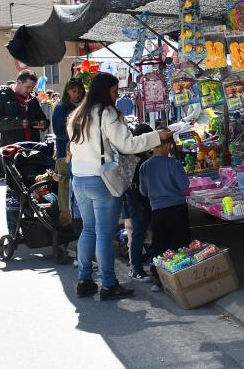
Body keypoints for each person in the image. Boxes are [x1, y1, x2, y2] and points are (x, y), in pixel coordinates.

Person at [67, 72, 170, 300]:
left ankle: (84, 281)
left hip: (80, 180)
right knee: (104, 233)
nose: (116, 96)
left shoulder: (77, 115)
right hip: (101, 179)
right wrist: (156, 137)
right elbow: (126, 144)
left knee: (89, 230)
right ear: (105, 91)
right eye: (114, 91)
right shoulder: (107, 112)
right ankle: (109, 284)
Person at [138, 126, 190, 292]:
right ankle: (182, 278)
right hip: (177, 208)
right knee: (180, 243)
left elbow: (143, 191)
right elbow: (184, 185)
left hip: (157, 211)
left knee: (159, 245)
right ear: (167, 145)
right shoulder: (174, 164)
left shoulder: (144, 166)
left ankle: (159, 280)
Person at [0, 70, 48, 183]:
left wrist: (43, 123)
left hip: (31, 151)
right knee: (14, 188)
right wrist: (17, 123)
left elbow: (42, 118)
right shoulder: (2, 97)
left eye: (32, 87)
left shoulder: (32, 99)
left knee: (33, 185)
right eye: (27, 87)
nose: (30, 91)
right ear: (18, 82)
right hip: (12, 152)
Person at [123, 124, 154, 283]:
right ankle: (136, 269)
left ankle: (136, 266)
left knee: (137, 232)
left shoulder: (129, 154)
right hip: (137, 199)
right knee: (138, 233)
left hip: (131, 198)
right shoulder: (140, 159)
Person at [52, 79, 85, 227]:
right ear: (67, 91)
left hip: (81, 152)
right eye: (73, 91)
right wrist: (78, 135)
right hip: (65, 153)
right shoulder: (61, 107)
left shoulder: (84, 105)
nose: (76, 94)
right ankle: (67, 220)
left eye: (79, 91)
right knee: (66, 184)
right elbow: (59, 132)